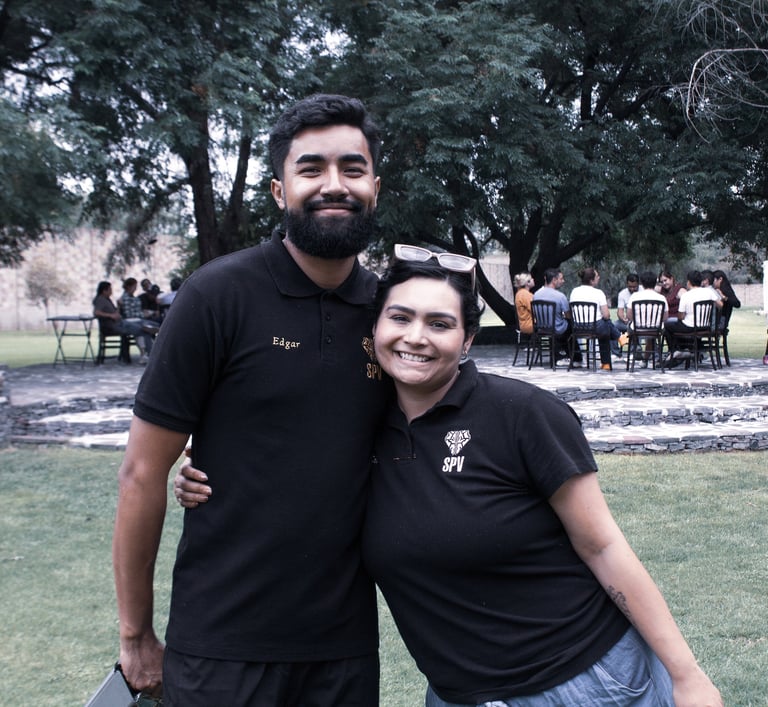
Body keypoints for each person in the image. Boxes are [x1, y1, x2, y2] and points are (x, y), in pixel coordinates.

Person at [177, 252, 723, 707]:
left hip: (584, 683)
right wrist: (211, 468)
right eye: (400, 318)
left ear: (466, 341)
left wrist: (687, 674)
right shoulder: (361, 427)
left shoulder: (522, 415)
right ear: (375, 329)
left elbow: (602, 546)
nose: (416, 337)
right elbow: (285, 460)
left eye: (439, 324)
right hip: (457, 695)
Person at [112, 94, 392, 706]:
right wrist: (135, 636)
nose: (334, 184)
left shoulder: (391, 315)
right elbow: (141, 473)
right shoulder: (216, 296)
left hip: (343, 651)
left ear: (374, 186)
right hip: (221, 647)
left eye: (352, 168)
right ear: (278, 190)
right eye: (311, 169)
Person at [569, 267, 627, 369]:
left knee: (606, 325)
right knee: (606, 324)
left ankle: (619, 338)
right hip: (594, 327)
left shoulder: (574, 291)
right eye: (597, 276)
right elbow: (606, 315)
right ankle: (606, 362)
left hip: (577, 327)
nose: (599, 277)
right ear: (591, 280)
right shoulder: (598, 293)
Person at [663, 270, 723, 365]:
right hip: (705, 326)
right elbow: (720, 305)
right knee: (677, 326)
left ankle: (677, 350)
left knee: (667, 325)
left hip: (689, 327)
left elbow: (681, 317)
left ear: (689, 282)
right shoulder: (709, 292)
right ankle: (686, 350)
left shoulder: (686, 295)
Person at [92, 280, 155, 363]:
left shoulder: (107, 300)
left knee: (144, 327)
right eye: (110, 289)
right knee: (144, 330)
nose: (111, 291)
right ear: (104, 291)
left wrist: (118, 306)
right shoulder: (100, 300)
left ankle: (148, 353)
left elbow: (116, 313)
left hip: (120, 323)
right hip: (114, 326)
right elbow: (96, 312)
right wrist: (110, 315)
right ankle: (150, 354)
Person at [532, 267, 582, 366]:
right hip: (558, 329)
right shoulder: (560, 296)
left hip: (542, 328)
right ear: (554, 280)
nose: (563, 281)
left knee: (563, 327)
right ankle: (576, 358)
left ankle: (560, 355)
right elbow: (568, 315)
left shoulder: (536, 295)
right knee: (571, 326)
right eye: (561, 279)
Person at [627, 270, 668, 367]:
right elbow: (665, 317)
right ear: (655, 283)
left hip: (637, 329)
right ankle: (645, 360)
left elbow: (629, 316)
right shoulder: (661, 298)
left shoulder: (635, 296)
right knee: (651, 335)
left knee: (629, 326)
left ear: (642, 283)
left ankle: (637, 350)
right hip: (656, 329)